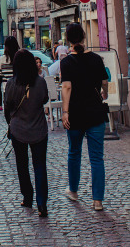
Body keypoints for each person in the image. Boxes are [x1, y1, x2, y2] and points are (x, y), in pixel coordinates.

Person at [61, 22, 108, 211]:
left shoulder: (66, 62)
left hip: (75, 114)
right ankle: (97, 200)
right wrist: (104, 93)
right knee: (97, 158)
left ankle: (73, 190)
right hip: (95, 113)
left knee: (74, 152)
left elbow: (66, 87)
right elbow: (105, 81)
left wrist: (65, 112)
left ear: (68, 40)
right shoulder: (96, 59)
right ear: (84, 37)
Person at [4, 49, 49, 217]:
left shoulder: (11, 83)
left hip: (18, 129)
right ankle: (42, 203)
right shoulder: (41, 82)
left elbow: (7, 107)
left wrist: (10, 123)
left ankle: (27, 197)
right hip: (38, 129)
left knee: (22, 165)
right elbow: (44, 99)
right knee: (40, 166)